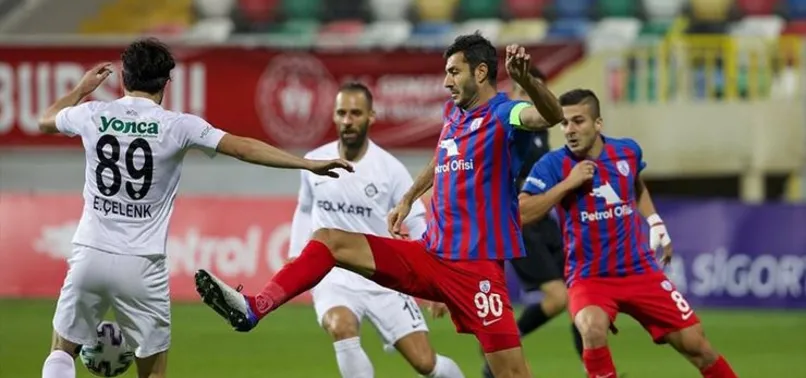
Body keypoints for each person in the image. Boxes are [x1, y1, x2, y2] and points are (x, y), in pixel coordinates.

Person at [195, 32, 564, 378]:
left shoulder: (504, 115)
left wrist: (529, 82)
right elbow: (441, 157)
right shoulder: (454, 116)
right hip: (432, 257)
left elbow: (549, 115)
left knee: (512, 373)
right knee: (328, 239)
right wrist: (407, 197)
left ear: (480, 72)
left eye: (454, 72)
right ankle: (254, 308)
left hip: (476, 271)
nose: (446, 82)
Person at [37, 38, 351, 378]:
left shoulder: (91, 114)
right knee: (153, 372)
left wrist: (82, 90)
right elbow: (243, 148)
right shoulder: (178, 125)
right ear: (165, 84)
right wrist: (305, 164)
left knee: (62, 349)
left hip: (90, 254)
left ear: (124, 79)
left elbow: (46, 120)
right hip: (142, 264)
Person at [518, 88, 738, 378]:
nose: (569, 130)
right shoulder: (552, 165)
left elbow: (636, 184)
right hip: (589, 276)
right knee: (591, 328)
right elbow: (521, 212)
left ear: (598, 124)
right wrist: (567, 185)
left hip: (640, 271)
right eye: (564, 123)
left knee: (698, 345)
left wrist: (656, 222)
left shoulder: (627, 151)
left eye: (578, 121)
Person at [286, 82, 464, 378]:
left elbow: (418, 220)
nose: (347, 120)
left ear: (371, 116)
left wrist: (433, 281)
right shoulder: (314, 162)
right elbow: (304, 209)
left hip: (384, 276)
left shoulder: (389, 168)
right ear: (333, 116)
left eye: (356, 113)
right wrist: (295, 255)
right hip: (334, 276)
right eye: (342, 113)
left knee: (425, 363)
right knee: (341, 327)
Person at [481, 67, 584, 378]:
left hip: (546, 221)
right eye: (521, 91)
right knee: (557, 297)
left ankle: (594, 369)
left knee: (579, 294)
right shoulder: (508, 125)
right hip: (520, 221)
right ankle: (500, 348)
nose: (526, 98)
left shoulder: (542, 130)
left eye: (532, 91)